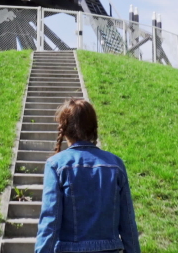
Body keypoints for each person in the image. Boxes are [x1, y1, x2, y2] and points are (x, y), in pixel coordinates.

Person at [35, 98, 140, 253]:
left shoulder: (56, 165)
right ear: (93, 128)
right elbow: (128, 223)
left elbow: (50, 221)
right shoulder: (116, 164)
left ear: (64, 130)